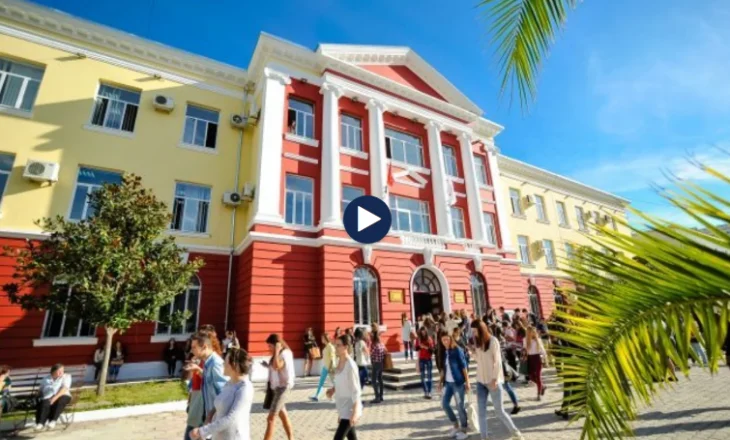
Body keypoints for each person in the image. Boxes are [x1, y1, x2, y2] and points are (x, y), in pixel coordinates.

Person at [471, 320, 525, 440]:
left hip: (493, 381)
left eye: (474, 331)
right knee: (481, 412)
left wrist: (495, 379)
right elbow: (479, 360)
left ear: (481, 329)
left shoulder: (493, 341)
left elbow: (497, 362)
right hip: (480, 381)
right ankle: (484, 437)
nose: (473, 333)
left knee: (499, 411)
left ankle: (516, 433)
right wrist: (472, 353)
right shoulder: (478, 342)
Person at [190, 348, 254, 440]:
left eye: (225, 361)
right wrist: (209, 416)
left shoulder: (245, 388)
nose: (222, 364)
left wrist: (203, 431)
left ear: (234, 365)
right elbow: (219, 405)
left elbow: (231, 418)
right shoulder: (229, 383)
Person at [185, 332, 228, 434]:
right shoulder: (207, 363)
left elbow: (224, 392)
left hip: (216, 417)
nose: (191, 350)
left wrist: (213, 415)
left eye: (194, 347)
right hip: (209, 414)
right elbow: (209, 382)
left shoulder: (215, 364)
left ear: (204, 347)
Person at [326, 334, 362, 440]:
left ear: (345, 347)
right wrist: (333, 390)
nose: (335, 348)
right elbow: (341, 382)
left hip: (350, 408)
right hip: (343, 408)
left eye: (338, 345)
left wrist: (355, 412)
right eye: (335, 345)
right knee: (352, 437)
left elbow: (356, 390)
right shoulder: (339, 362)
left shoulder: (350, 365)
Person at [438, 331, 470, 440]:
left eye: (446, 339)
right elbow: (444, 369)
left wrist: (468, 382)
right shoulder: (445, 351)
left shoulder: (457, 350)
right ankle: (456, 426)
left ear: (451, 338)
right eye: (443, 340)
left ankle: (464, 430)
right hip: (448, 383)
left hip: (458, 382)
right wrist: (439, 382)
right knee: (445, 404)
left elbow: (463, 366)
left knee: (460, 406)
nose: (445, 342)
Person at [263, 334, 295, 440]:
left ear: (278, 345)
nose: (269, 349)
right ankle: (291, 438)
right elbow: (275, 367)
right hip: (275, 388)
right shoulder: (278, 355)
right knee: (283, 415)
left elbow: (277, 366)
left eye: (270, 346)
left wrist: (276, 351)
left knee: (271, 418)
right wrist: (267, 365)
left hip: (282, 388)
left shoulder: (285, 354)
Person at [34, 364, 71, 431]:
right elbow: (40, 390)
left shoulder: (66, 377)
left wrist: (54, 399)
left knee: (60, 400)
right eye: (59, 371)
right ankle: (41, 423)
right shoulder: (45, 379)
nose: (61, 373)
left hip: (63, 395)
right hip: (49, 396)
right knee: (45, 402)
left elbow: (64, 389)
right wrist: (38, 395)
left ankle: (53, 421)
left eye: (62, 371)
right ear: (53, 371)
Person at [311, 333, 337, 401]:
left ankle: (335, 395)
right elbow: (325, 357)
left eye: (322, 338)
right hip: (325, 367)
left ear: (325, 338)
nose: (321, 339)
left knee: (335, 383)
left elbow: (332, 358)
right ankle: (317, 396)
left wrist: (331, 368)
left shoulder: (330, 347)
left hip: (330, 368)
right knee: (321, 382)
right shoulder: (326, 347)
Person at [523, 326, 546, 400]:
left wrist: (544, 359)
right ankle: (542, 386)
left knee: (538, 377)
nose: (533, 333)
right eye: (531, 331)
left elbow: (542, 350)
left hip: (537, 358)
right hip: (529, 359)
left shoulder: (538, 340)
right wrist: (524, 355)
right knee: (531, 377)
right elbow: (525, 350)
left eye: (534, 331)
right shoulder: (525, 340)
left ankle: (538, 394)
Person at [414, 326, 434, 399]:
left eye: (424, 332)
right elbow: (416, 348)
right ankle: (426, 392)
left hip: (428, 359)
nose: (423, 333)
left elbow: (432, 350)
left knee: (429, 377)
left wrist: (425, 347)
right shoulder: (418, 339)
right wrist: (419, 346)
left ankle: (429, 392)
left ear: (426, 332)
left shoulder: (429, 338)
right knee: (422, 377)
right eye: (422, 332)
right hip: (421, 359)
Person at [369, 332, 386, 404]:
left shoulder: (374, 345)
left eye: (371, 337)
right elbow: (385, 352)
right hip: (381, 363)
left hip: (376, 364)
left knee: (373, 381)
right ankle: (381, 396)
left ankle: (377, 397)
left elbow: (371, 354)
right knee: (380, 380)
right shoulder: (382, 344)